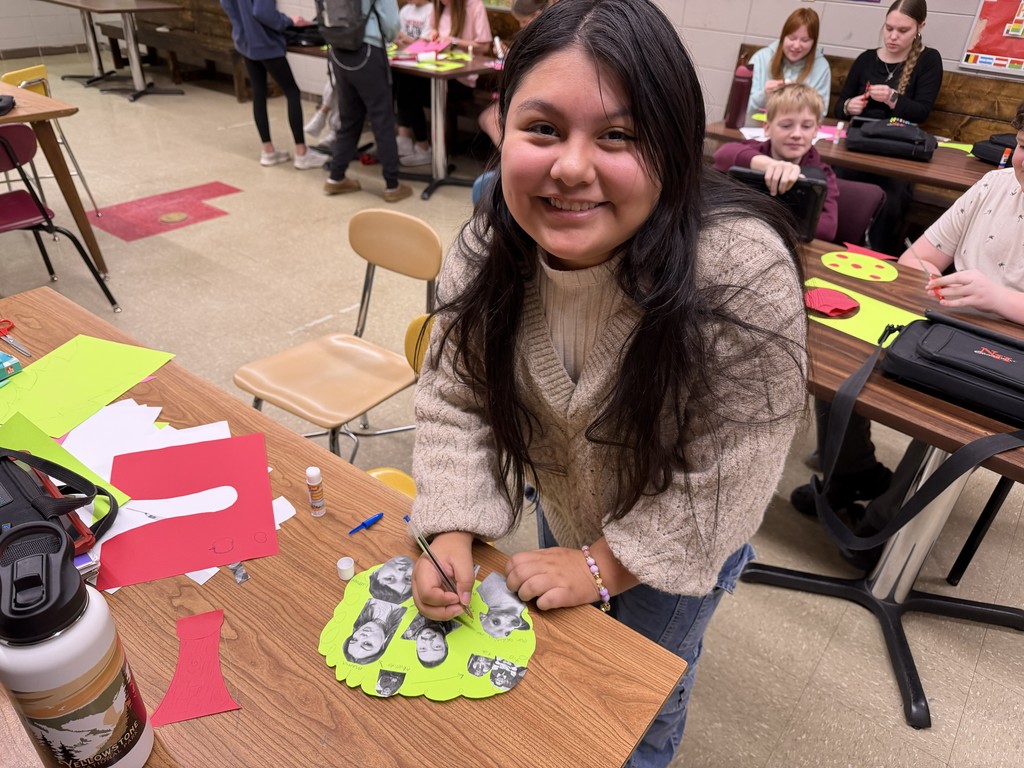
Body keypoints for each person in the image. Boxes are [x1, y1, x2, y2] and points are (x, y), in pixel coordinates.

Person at [407, 1, 807, 765]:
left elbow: (730, 474)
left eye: (618, 135)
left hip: (683, 533)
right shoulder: (490, 242)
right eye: (544, 129)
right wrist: (450, 523)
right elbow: (455, 397)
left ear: (672, 143)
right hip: (569, 498)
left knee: (642, 697)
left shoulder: (739, 272)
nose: (569, 168)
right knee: (568, 670)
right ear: (502, 125)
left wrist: (605, 565)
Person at [790, 102, 1024, 520]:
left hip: (1005, 364)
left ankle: (881, 532)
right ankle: (851, 472)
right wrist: (929, 275)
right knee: (838, 359)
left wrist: (1001, 300)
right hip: (948, 328)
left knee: (946, 416)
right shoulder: (995, 184)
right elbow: (917, 259)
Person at [832, 0, 942, 254]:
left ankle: (873, 255)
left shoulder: (928, 60)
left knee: (890, 201)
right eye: (888, 28)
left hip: (898, 151)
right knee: (837, 185)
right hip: (859, 145)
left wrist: (892, 98)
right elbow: (839, 107)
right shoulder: (867, 59)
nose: (893, 36)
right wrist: (850, 106)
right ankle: (832, 248)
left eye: (902, 31)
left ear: (920, 27)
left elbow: (922, 112)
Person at [714, 83, 840, 242]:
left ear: (816, 130)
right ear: (767, 127)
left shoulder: (823, 173)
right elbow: (723, 154)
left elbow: (827, 229)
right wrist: (769, 165)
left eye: (807, 126)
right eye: (786, 125)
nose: (796, 134)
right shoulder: (755, 149)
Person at [219, 0, 331, 170]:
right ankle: (302, 153)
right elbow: (263, 13)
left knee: (259, 93)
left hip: (245, 41)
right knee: (292, 92)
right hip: (265, 42)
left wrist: (244, 27)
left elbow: (227, 5)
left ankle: (268, 151)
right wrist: (288, 21)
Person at [322, 0, 413, 203]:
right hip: (367, 51)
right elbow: (391, 25)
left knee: (349, 118)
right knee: (382, 120)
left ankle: (336, 177)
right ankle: (392, 185)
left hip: (337, 49)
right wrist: (391, 37)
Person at [394, 0, 493, 167]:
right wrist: (431, 38)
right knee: (402, 81)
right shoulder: (439, 7)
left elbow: (483, 47)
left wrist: (453, 41)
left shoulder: (474, 6)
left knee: (409, 88)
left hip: (461, 80)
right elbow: (432, 33)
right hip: (437, 71)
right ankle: (418, 144)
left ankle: (422, 147)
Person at [478, 0, 551, 147]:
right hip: (530, 95)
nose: (521, 26)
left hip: (536, 96)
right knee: (488, 117)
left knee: (489, 118)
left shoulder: (545, 38)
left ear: (537, 15)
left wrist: (510, 57)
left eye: (523, 21)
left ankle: (506, 158)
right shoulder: (540, 35)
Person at [746, 8, 831, 125]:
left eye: (805, 40)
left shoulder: (821, 67)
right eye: (792, 38)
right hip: (756, 128)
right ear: (782, 37)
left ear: (814, 43)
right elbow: (742, 106)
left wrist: (798, 99)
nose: (796, 45)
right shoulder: (761, 58)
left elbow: (820, 113)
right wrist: (763, 94)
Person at [342, 599, 407, 665]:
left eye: (354, 639)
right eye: (367, 644)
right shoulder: (406, 626)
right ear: (382, 646)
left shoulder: (358, 608)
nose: (361, 636)